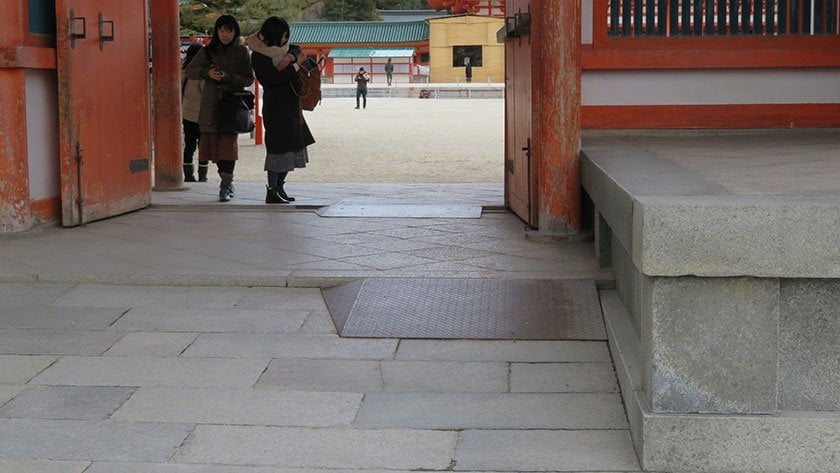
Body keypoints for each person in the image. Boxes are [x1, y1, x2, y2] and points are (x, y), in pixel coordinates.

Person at [185, 15, 253, 202]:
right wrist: (207, 73)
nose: (224, 35)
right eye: (221, 30)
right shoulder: (208, 51)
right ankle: (226, 181)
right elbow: (190, 71)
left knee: (228, 146)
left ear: (235, 32)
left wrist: (227, 77)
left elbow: (248, 78)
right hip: (211, 104)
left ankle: (226, 184)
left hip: (231, 104)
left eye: (228, 31)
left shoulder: (242, 51)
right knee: (213, 146)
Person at [248, 16, 315, 204]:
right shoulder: (259, 56)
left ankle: (279, 186)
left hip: (291, 105)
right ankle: (271, 190)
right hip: (275, 106)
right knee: (278, 149)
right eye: (282, 36)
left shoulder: (285, 49)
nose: (285, 39)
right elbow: (275, 78)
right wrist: (295, 65)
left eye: (286, 35)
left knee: (294, 145)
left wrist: (291, 57)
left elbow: (296, 49)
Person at [180, 42, 207, 183]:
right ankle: (203, 175)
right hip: (201, 114)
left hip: (187, 113)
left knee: (189, 144)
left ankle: (188, 175)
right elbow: (204, 91)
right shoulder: (200, 72)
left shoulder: (183, 69)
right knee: (203, 145)